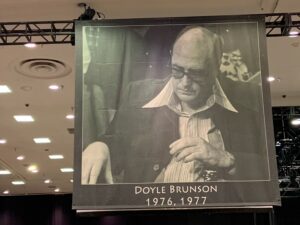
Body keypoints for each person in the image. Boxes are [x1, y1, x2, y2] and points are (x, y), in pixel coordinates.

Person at [81, 26, 268, 184]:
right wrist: (100, 146)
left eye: (196, 73)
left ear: (216, 66)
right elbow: (115, 143)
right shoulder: (137, 95)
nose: (184, 83)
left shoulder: (249, 99)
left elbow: (268, 167)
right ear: (171, 56)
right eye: (177, 70)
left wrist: (227, 160)